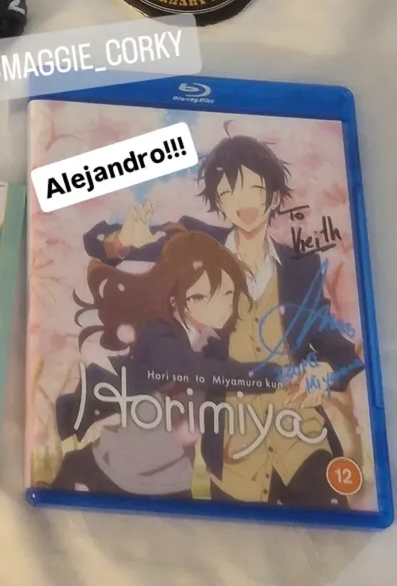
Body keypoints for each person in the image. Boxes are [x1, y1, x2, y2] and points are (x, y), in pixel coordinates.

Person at [83, 135, 364, 509]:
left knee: (330, 528)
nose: (242, 202)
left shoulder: (302, 268)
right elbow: (96, 241)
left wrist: (324, 372)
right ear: (217, 201)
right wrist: (121, 242)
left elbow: (343, 354)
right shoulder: (193, 242)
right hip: (232, 453)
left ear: (273, 195)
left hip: (303, 439)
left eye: (254, 188)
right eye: (228, 192)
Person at [50, 231, 276, 499]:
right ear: (179, 299)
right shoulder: (158, 335)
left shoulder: (213, 342)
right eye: (209, 295)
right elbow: (195, 372)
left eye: (229, 292)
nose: (226, 304)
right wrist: (274, 376)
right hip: (111, 473)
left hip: (172, 483)